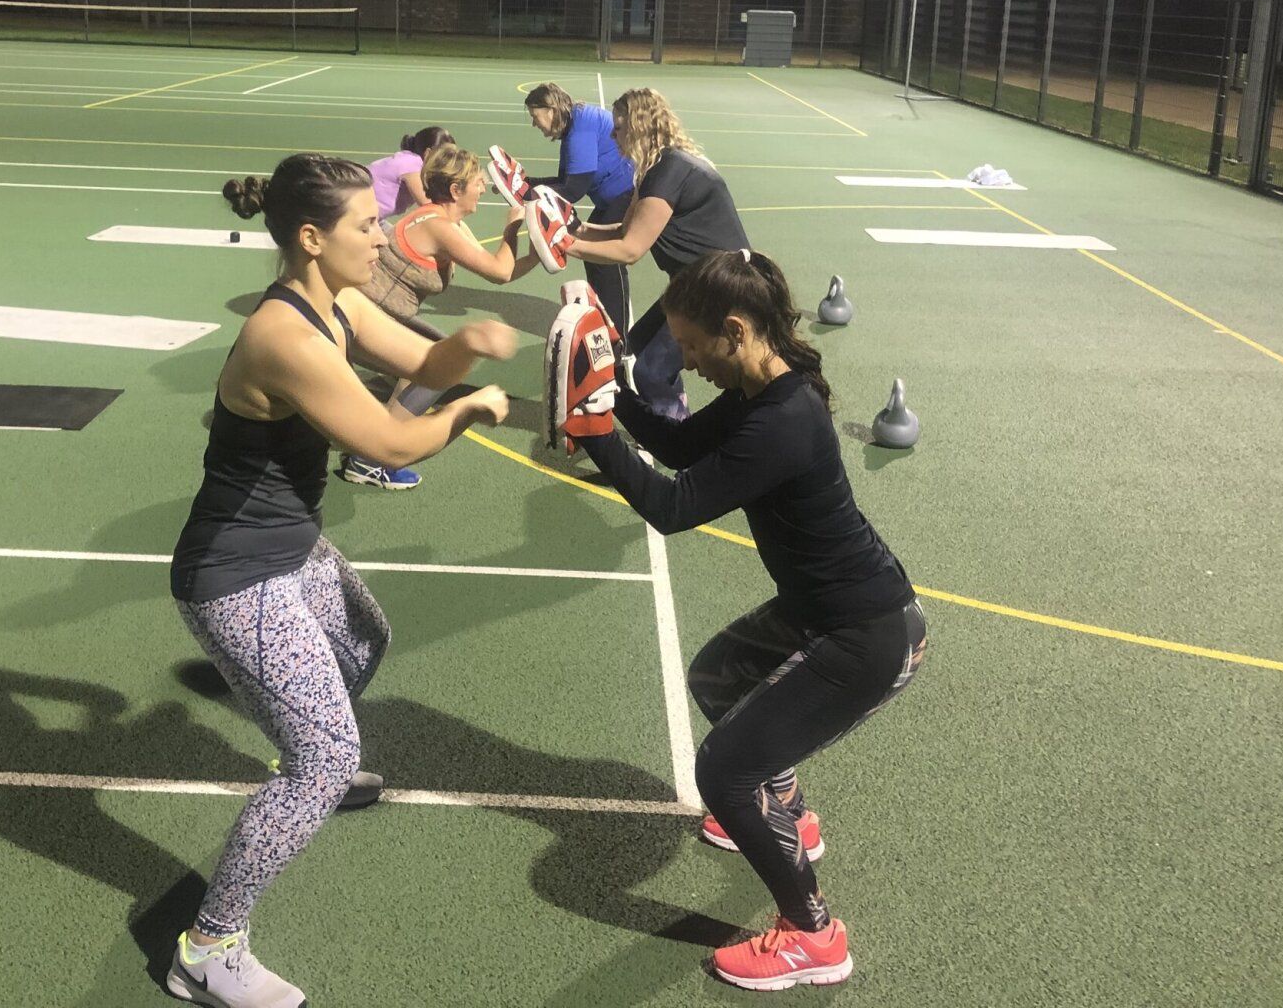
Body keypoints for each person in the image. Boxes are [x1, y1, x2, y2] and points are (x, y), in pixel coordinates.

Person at [171, 154, 515, 1008]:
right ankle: (207, 949)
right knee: (326, 760)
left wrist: (465, 348)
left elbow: (424, 363)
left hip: (291, 553)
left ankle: (308, 748)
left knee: (365, 642)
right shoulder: (283, 336)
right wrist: (468, 409)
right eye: (367, 225)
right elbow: (388, 444)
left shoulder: (340, 302)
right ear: (312, 238)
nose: (383, 238)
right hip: (235, 575)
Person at [569, 249, 926, 993]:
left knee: (723, 772)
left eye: (693, 346)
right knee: (716, 677)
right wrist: (613, 396)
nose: (686, 362)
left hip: (865, 637)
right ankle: (789, 814)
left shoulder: (783, 420)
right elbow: (677, 446)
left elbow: (674, 507)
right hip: (827, 615)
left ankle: (813, 937)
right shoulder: (762, 389)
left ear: (735, 331)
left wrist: (594, 432)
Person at [340, 143, 542, 489]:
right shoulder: (439, 227)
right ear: (456, 190)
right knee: (442, 368)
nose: (482, 188)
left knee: (440, 353)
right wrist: (512, 227)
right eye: (477, 182)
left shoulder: (440, 219)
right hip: (361, 320)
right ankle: (372, 458)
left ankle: (376, 434)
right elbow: (500, 272)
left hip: (377, 313)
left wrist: (539, 255)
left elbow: (499, 269)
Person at [563, 88, 749, 420]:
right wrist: (574, 230)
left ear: (639, 127)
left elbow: (630, 250)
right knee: (638, 346)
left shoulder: (669, 170)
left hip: (721, 285)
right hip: (695, 282)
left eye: (619, 127)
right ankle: (675, 421)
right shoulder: (656, 169)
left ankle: (674, 435)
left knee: (651, 369)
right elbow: (623, 230)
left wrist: (567, 247)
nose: (613, 135)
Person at [520, 82, 636, 330]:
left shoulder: (580, 128)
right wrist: (525, 184)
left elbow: (573, 191)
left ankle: (619, 334)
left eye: (535, 116)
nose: (534, 123)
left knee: (605, 260)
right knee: (596, 256)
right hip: (616, 197)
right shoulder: (573, 127)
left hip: (628, 192)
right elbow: (564, 182)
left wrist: (527, 193)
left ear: (550, 110)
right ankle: (609, 322)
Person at [365, 126, 452, 218]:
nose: (448, 162)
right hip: (360, 215)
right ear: (428, 153)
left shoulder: (411, 160)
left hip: (369, 215)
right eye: (445, 157)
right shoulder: (412, 164)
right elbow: (428, 204)